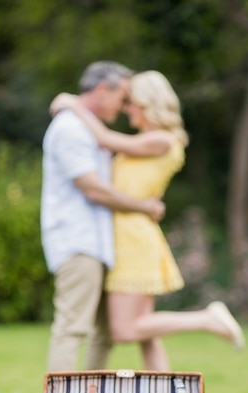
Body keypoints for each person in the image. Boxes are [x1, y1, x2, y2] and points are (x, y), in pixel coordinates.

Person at [51, 70, 245, 371]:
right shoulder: (148, 141)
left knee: (126, 330)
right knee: (147, 334)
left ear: (147, 104)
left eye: (131, 102)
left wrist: (73, 105)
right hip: (128, 234)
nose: (127, 108)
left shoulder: (162, 141)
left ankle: (206, 319)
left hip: (133, 238)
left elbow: (104, 138)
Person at [41, 61, 166, 372]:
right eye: (122, 97)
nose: (125, 106)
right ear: (102, 90)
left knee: (104, 334)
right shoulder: (70, 128)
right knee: (72, 329)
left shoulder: (85, 128)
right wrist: (144, 207)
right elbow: (93, 189)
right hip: (77, 243)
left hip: (98, 246)